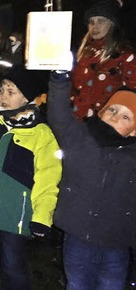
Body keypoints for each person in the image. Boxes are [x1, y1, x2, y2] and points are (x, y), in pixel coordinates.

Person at [0, 67, 62, 290]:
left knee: (13, 264)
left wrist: (42, 216)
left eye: (11, 91)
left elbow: (48, 175)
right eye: (2, 90)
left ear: (27, 97)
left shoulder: (41, 133)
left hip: (16, 214)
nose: (3, 96)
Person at [49, 70, 136, 289]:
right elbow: (59, 114)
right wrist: (60, 79)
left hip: (117, 243)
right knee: (77, 284)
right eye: (112, 110)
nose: (115, 117)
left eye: (126, 117)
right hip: (79, 237)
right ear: (101, 112)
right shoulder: (80, 137)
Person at [70, 0, 136, 119]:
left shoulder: (125, 55)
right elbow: (73, 88)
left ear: (112, 23)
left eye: (100, 21)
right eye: (91, 22)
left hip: (105, 124)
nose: (95, 26)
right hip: (78, 121)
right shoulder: (84, 54)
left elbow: (131, 94)